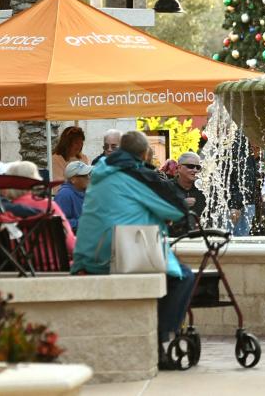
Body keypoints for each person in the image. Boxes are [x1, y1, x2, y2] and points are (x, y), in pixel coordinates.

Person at [70, 130, 194, 369]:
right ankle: (157, 342)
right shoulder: (137, 175)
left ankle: (155, 340)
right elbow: (177, 210)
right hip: (115, 255)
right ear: (144, 154)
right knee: (183, 277)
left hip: (86, 255)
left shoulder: (100, 172)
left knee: (166, 273)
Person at [4, 160, 76, 256]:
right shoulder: (48, 206)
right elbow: (70, 245)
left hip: (19, 267)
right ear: (35, 180)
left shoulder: (4, 210)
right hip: (54, 267)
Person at [169, 152, 208, 236]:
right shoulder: (167, 187)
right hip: (174, 239)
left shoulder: (204, 190)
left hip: (200, 239)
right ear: (179, 168)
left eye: (198, 167)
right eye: (190, 166)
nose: (195, 170)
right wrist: (181, 204)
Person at [54, 160, 93, 232]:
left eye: (89, 174)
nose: (88, 177)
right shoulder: (64, 195)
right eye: (84, 175)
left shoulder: (87, 191)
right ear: (73, 179)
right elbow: (59, 222)